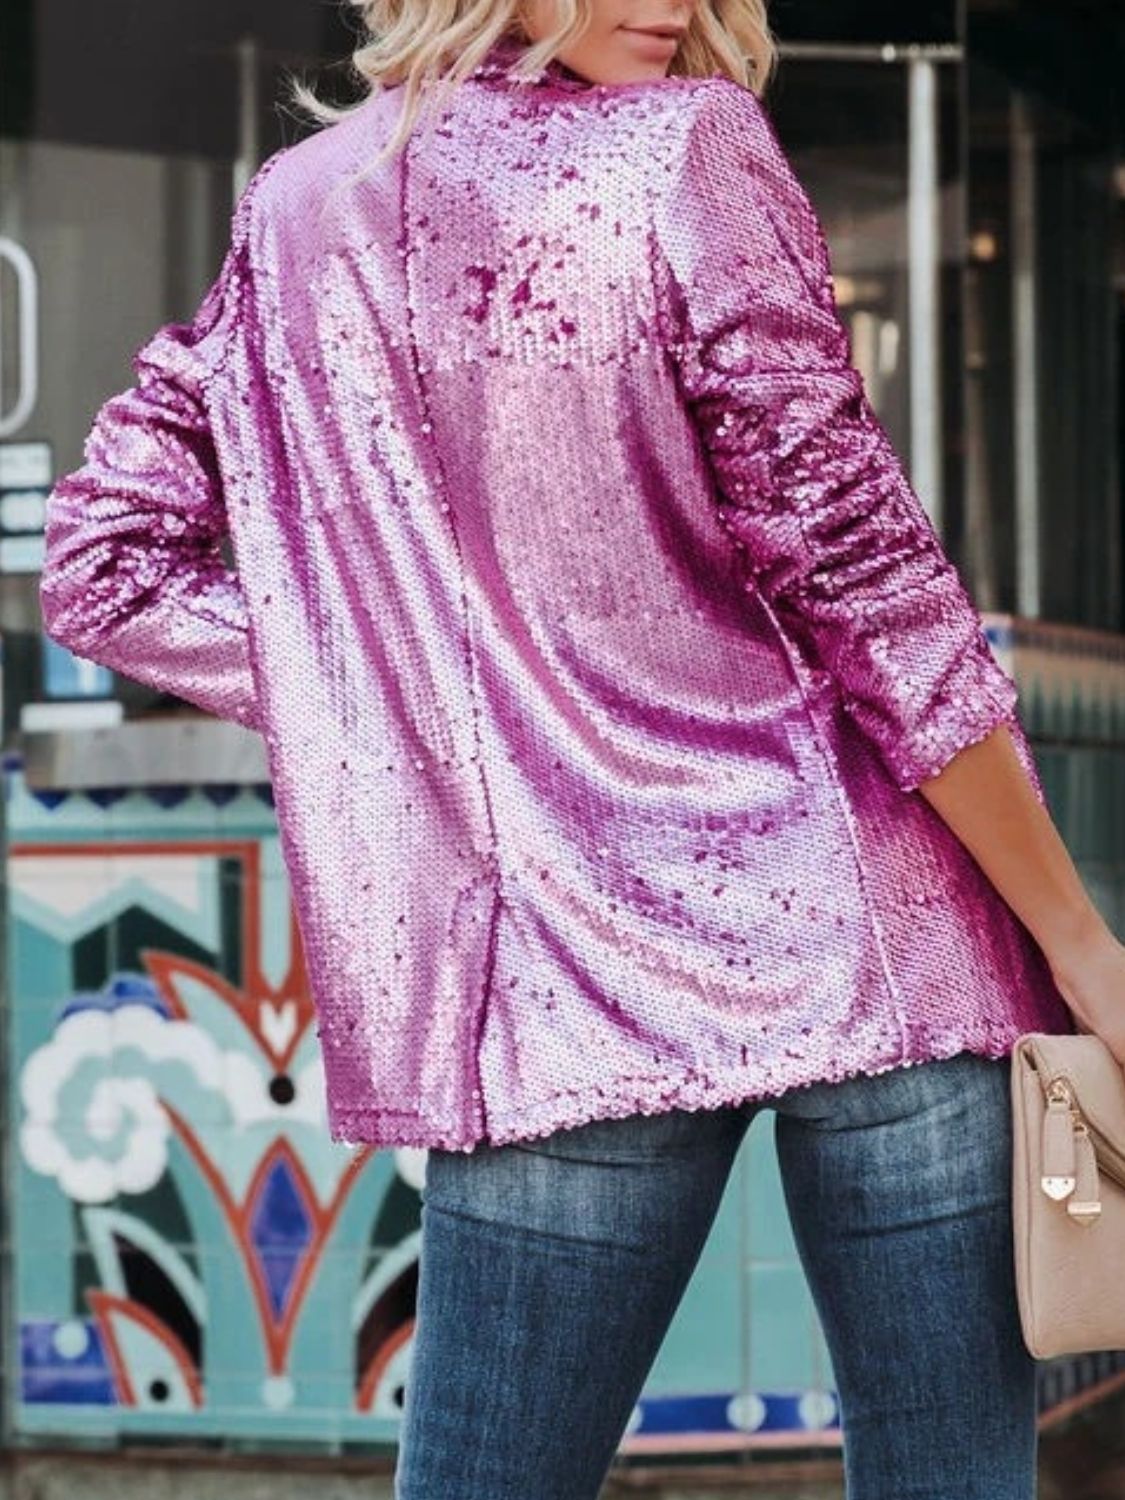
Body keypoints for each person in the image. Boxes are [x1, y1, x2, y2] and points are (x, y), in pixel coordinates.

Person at [38, 2, 1125, 1496]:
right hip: (877, 938)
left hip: (555, 982)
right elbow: (862, 575)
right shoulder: (690, 147)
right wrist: (1080, 939)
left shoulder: (296, 207)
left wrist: (415, 700)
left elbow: (105, 568)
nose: (665, 0)